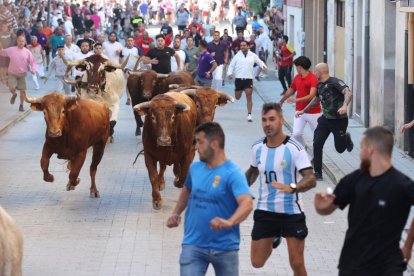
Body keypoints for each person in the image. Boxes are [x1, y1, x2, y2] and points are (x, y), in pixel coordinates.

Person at [314, 126, 414, 276]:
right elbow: (328, 207)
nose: (359, 154)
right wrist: (320, 205)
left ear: (371, 149)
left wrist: (408, 245)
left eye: (362, 147)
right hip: (352, 264)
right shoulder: (353, 180)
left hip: (388, 267)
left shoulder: (402, 185)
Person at [166, 122, 253, 276]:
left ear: (214, 144)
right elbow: (187, 189)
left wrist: (230, 222)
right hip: (193, 245)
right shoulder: (195, 168)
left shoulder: (233, 173)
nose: (195, 147)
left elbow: (247, 203)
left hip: (225, 248)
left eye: (199, 142)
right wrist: (176, 213)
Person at [245, 102, 316, 274]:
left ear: (281, 120)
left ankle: (278, 232)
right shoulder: (257, 148)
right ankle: (274, 236)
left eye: (272, 119)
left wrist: (292, 187)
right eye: (264, 120)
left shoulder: (294, 148)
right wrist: (237, 187)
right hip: (265, 210)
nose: (267, 124)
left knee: (297, 263)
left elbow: (311, 178)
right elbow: (253, 172)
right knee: (256, 262)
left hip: (291, 212)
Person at [296, 63, 354, 180]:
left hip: (339, 121)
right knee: (317, 143)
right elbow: (316, 99)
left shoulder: (335, 82)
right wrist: (303, 110)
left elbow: (348, 92)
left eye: (315, 72)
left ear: (319, 72)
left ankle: (346, 140)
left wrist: (345, 106)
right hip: (325, 120)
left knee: (340, 149)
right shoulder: (320, 85)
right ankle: (318, 172)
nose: (314, 74)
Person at [279, 56, 321, 147]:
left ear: (300, 67)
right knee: (296, 134)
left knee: (317, 136)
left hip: (314, 112)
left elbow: (311, 96)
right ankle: (302, 148)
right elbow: (291, 90)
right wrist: (282, 101)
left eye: (296, 66)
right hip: (299, 111)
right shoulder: (297, 77)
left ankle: (316, 156)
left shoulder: (313, 78)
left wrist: (296, 100)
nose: (296, 68)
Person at [227, 41, 267, 122]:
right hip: (239, 79)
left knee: (249, 96)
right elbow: (231, 65)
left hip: (248, 79)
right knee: (237, 97)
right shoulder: (237, 55)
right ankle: (239, 91)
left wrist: (264, 66)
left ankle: (249, 114)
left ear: (248, 46)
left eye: (244, 45)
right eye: (241, 45)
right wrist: (229, 73)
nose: (242, 47)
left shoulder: (252, 55)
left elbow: (259, 61)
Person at [0, 35, 37, 112]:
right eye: (20, 41)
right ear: (17, 42)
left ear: (25, 42)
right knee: (11, 87)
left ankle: (21, 105)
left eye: (23, 41)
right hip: (12, 73)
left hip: (22, 74)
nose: (21, 42)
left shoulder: (27, 52)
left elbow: (33, 62)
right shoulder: (11, 50)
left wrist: (33, 69)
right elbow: (2, 52)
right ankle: (14, 94)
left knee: (23, 91)